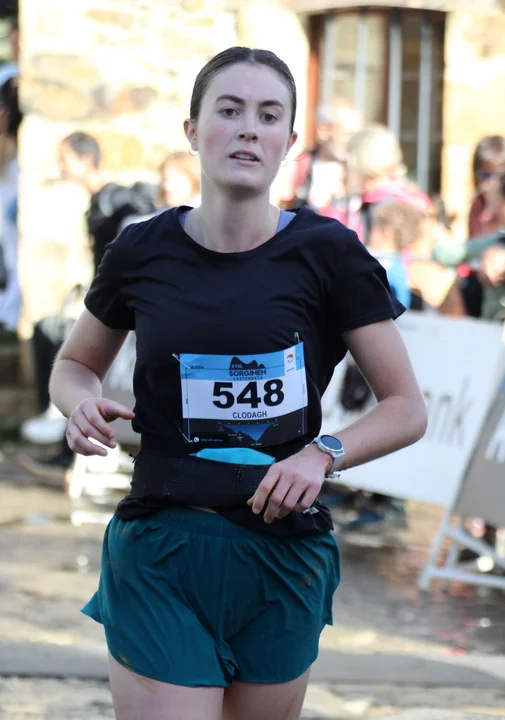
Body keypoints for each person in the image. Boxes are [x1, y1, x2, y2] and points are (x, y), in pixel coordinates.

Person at [49, 47, 427, 719]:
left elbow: (405, 407)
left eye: (268, 115)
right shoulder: (141, 249)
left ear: (289, 141)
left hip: (282, 555)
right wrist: (79, 405)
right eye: (229, 110)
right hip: (163, 547)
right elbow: (73, 365)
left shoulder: (329, 253)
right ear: (193, 131)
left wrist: (322, 454)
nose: (249, 129)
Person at [19, 133, 156, 483]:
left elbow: (140, 226)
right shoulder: (99, 200)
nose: (60, 166)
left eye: (64, 158)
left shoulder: (116, 198)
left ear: (84, 159)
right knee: (52, 339)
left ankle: (74, 458)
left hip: (122, 314)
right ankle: (67, 452)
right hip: (105, 304)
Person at [277, 96, 363, 211]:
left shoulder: (362, 170)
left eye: (358, 135)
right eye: (347, 134)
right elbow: (283, 210)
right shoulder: (299, 165)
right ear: (323, 130)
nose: (354, 142)